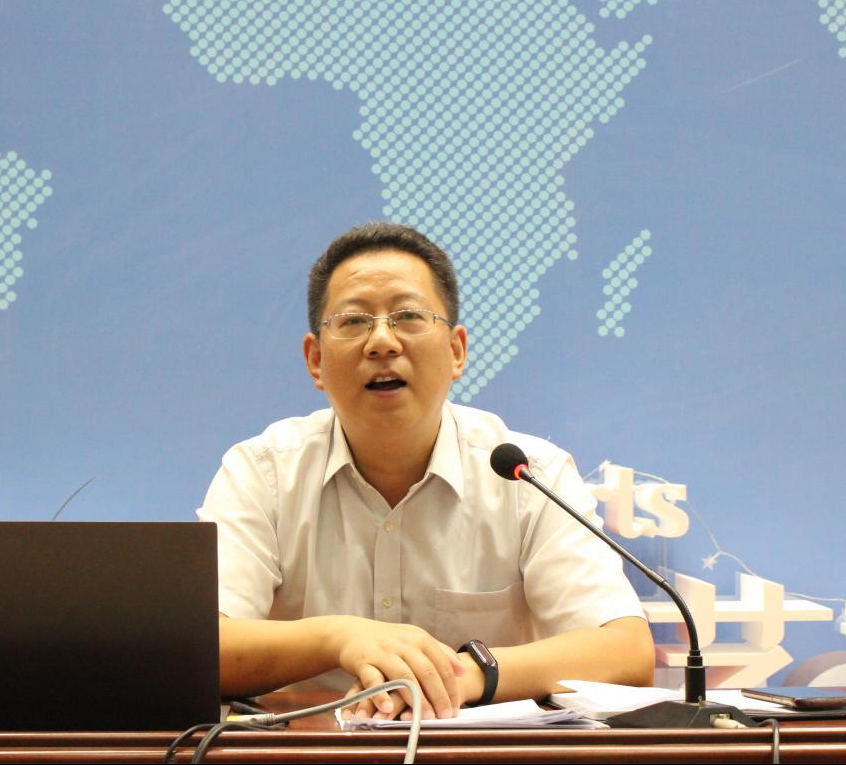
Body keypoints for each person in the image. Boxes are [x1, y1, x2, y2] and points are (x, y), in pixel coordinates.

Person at [198, 223, 653, 720]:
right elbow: (196, 649)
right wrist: (340, 637)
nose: (381, 342)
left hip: (477, 753)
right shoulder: (262, 474)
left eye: (409, 316)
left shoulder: (526, 474)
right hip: (302, 751)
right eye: (353, 321)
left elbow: (626, 652)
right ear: (315, 360)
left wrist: (462, 675)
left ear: (456, 351)